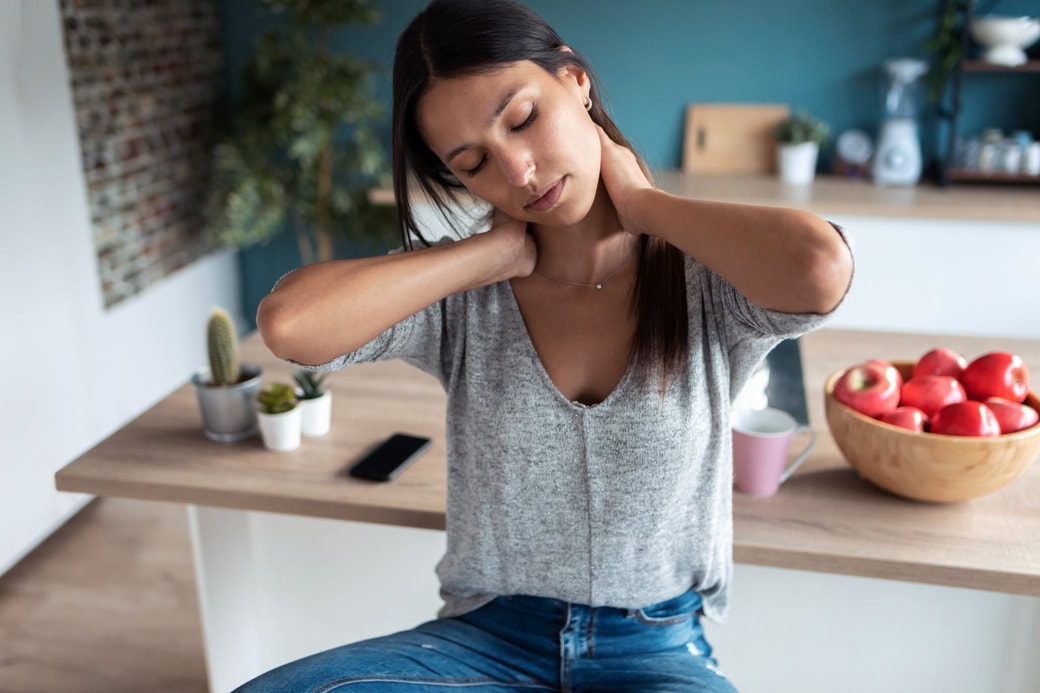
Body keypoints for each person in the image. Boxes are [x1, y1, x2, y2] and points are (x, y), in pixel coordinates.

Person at [238, 0, 854, 690]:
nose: (520, 172)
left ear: (576, 80)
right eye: (474, 163)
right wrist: (486, 255)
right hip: (483, 641)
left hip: (655, 649)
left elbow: (820, 269)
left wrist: (647, 207)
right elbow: (290, 323)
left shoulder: (703, 276)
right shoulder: (463, 300)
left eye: (523, 119)